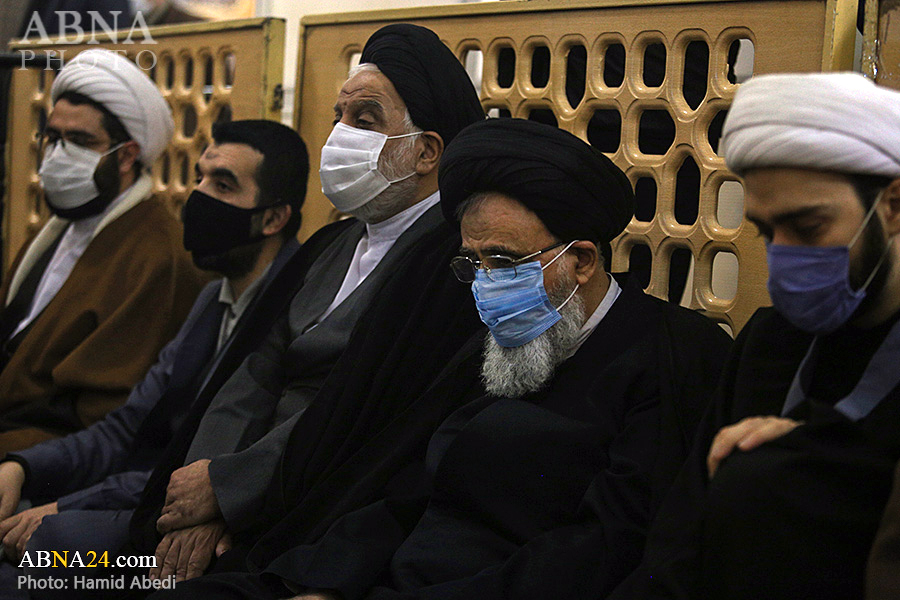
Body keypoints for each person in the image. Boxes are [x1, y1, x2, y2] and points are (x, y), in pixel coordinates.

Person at [154, 118, 731, 600]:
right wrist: (321, 583)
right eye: (472, 263)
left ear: (581, 261)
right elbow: (407, 490)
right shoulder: (498, 345)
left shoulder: (672, 354)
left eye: (503, 261)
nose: (485, 284)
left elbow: (604, 547)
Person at [112, 22, 487, 587]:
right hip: (217, 492)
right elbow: (254, 372)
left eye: (365, 120)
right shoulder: (332, 243)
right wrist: (202, 483)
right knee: (58, 566)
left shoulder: (450, 265)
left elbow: (362, 419)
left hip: (305, 514)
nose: (340, 134)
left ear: (426, 151)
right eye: (339, 116)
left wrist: (230, 492)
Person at [609, 72, 900, 600]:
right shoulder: (769, 341)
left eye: (807, 228)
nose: (782, 256)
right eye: (767, 232)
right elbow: (681, 543)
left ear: (893, 207)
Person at [0, 120, 307, 590]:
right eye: (200, 178)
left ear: (273, 218)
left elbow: (205, 463)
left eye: (223, 185)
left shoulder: (292, 308)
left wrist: (64, 507)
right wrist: (23, 467)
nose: (198, 196)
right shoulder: (213, 298)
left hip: (208, 534)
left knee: (51, 551)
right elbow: (126, 427)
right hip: (140, 497)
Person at [0, 49, 204, 453]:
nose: (57, 155)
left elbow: (99, 419)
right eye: (54, 138)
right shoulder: (62, 227)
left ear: (127, 155)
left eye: (80, 141)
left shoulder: (157, 256)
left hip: (46, 454)